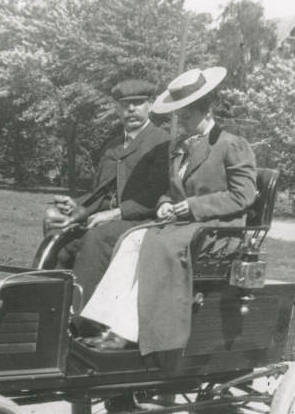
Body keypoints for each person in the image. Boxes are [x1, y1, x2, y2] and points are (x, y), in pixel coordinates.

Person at [79, 67, 257, 352]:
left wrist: (192, 206)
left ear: (208, 111)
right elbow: (171, 191)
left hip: (218, 229)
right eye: (180, 118)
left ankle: (125, 332)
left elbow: (243, 195)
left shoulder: (231, 145)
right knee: (130, 240)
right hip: (185, 225)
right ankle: (103, 321)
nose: (183, 123)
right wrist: (164, 205)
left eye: (188, 117)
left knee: (154, 247)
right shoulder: (180, 145)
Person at [45, 79, 170, 303]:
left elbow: (156, 193)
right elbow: (101, 191)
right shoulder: (111, 146)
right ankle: (48, 302)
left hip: (142, 220)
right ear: (117, 109)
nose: (131, 109)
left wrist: (114, 214)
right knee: (57, 231)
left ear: (149, 106)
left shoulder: (161, 142)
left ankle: (80, 316)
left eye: (138, 103)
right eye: (124, 105)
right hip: (105, 219)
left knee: (96, 237)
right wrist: (77, 206)